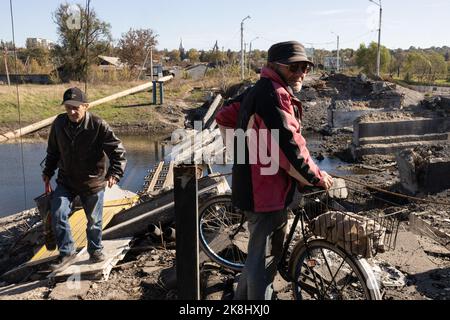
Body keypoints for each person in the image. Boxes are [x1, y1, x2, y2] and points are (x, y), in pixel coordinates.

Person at [215, 41, 334, 300]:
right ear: (274, 66)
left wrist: (244, 152)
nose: (301, 72)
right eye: (294, 66)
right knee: (265, 261)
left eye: (305, 67)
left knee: (258, 255)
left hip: (255, 187)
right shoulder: (274, 94)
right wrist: (316, 176)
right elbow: (290, 144)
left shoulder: (259, 89)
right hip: (266, 193)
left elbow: (224, 116)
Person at [42, 87, 127, 270]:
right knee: (58, 213)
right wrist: (48, 171)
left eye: (76, 107)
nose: (72, 112)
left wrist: (115, 173)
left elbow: (118, 151)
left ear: (85, 106)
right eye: (68, 108)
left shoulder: (98, 125)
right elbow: (53, 151)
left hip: (93, 182)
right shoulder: (59, 124)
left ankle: (95, 249)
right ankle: (67, 253)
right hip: (66, 181)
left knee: (94, 222)